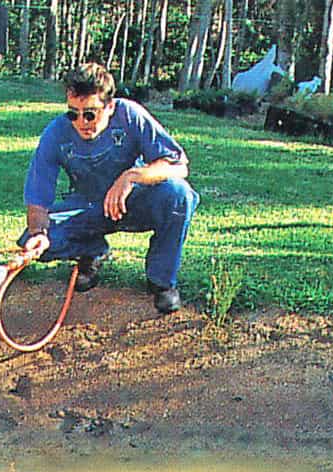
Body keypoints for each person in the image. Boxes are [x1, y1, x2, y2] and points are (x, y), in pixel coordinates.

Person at [18, 62, 199, 314]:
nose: (82, 122)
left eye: (90, 113)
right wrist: (38, 231)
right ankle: (93, 250)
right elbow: (38, 197)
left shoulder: (130, 115)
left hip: (133, 203)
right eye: (73, 113)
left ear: (110, 106)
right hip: (88, 209)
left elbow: (178, 166)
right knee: (32, 240)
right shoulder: (55, 133)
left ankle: (161, 282)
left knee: (180, 195)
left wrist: (132, 176)